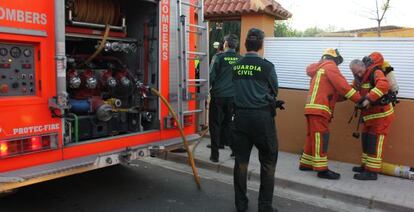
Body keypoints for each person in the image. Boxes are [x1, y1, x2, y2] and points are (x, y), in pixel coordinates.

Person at [232, 28, 284, 212]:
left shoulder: (236, 65)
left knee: (241, 162)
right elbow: (274, 90)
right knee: (268, 162)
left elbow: (233, 89)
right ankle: (265, 206)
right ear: (261, 44)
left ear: (246, 44)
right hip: (262, 119)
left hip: (240, 118)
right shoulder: (267, 67)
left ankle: (241, 204)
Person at [299, 48, 362, 180]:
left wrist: (345, 96)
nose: (337, 64)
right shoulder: (330, 66)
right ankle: (322, 170)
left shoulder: (318, 69)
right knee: (321, 137)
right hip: (320, 109)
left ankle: (305, 163)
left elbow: (332, 94)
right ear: (333, 58)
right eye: (337, 61)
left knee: (313, 136)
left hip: (312, 108)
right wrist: (360, 99)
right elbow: (343, 86)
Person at [349, 52, 395, 180]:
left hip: (382, 115)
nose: (358, 75)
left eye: (359, 72)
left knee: (375, 142)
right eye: (355, 73)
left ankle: (372, 172)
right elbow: (351, 89)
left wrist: (368, 99)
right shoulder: (359, 78)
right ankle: (365, 166)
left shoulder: (375, 72)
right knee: (366, 140)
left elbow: (383, 85)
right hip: (370, 117)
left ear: (363, 67)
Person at [208, 34, 242, 162]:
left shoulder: (218, 57)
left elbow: (211, 76)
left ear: (226, 44)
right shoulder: (241, 59)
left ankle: (215, 155)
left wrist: (206, 91)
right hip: (234, 98)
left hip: (218, 97)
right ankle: (235, 151)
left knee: (215, 125)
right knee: (230, 124)